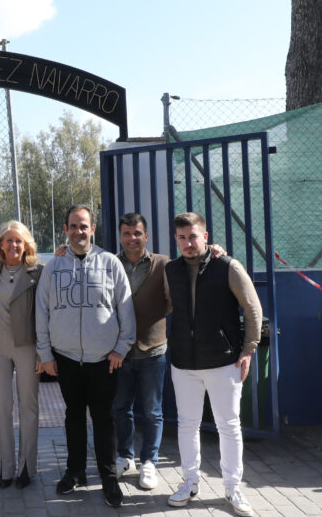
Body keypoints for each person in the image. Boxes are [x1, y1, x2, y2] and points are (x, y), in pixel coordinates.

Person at [35, 205, 135, 508]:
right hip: (65, 358)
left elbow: (125, 308)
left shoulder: (110, 264)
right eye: (73, 226)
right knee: (73, 417)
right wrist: (45, 352)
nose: (79, 231)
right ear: (65, 229)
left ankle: (109, 479)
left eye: (84, 226)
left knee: (104, 419)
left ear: (93, 229)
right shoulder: (53, 267)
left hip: (104, 359)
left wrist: (122, 347)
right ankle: (75, 472)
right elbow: (41, 310)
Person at [165, 212, 261, 517]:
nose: (187, 243)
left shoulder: (228, 266)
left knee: (229, 426)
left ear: (205, 237)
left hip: (223, 361)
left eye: (193, 236)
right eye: (181, 237)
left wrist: (248, 349)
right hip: (183, 362)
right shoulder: (170, 270)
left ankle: (233, 487)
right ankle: (190, 482)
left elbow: (252, 308)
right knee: (187, 425)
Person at [111, 213, 172, 491]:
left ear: (146, 236)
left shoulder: (162, 264)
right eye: (126, 233)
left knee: (152, 411)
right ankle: (125, 456)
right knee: (120, 407)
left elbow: (171, 301)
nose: (132, 238)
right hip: (118, 352)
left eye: (137, 233)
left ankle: (149, 461)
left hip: (152, 350)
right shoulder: (110, 263)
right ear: (120, 236)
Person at [0, 220, 42, 490]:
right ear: (0, 244)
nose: (13, 245)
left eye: (18, 240)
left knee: (28, 408)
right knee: (1, 407)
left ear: (26, 243)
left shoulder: (38, 272)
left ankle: (27, 468)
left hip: (27, 346)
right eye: (8, 240)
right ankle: (6, 468)